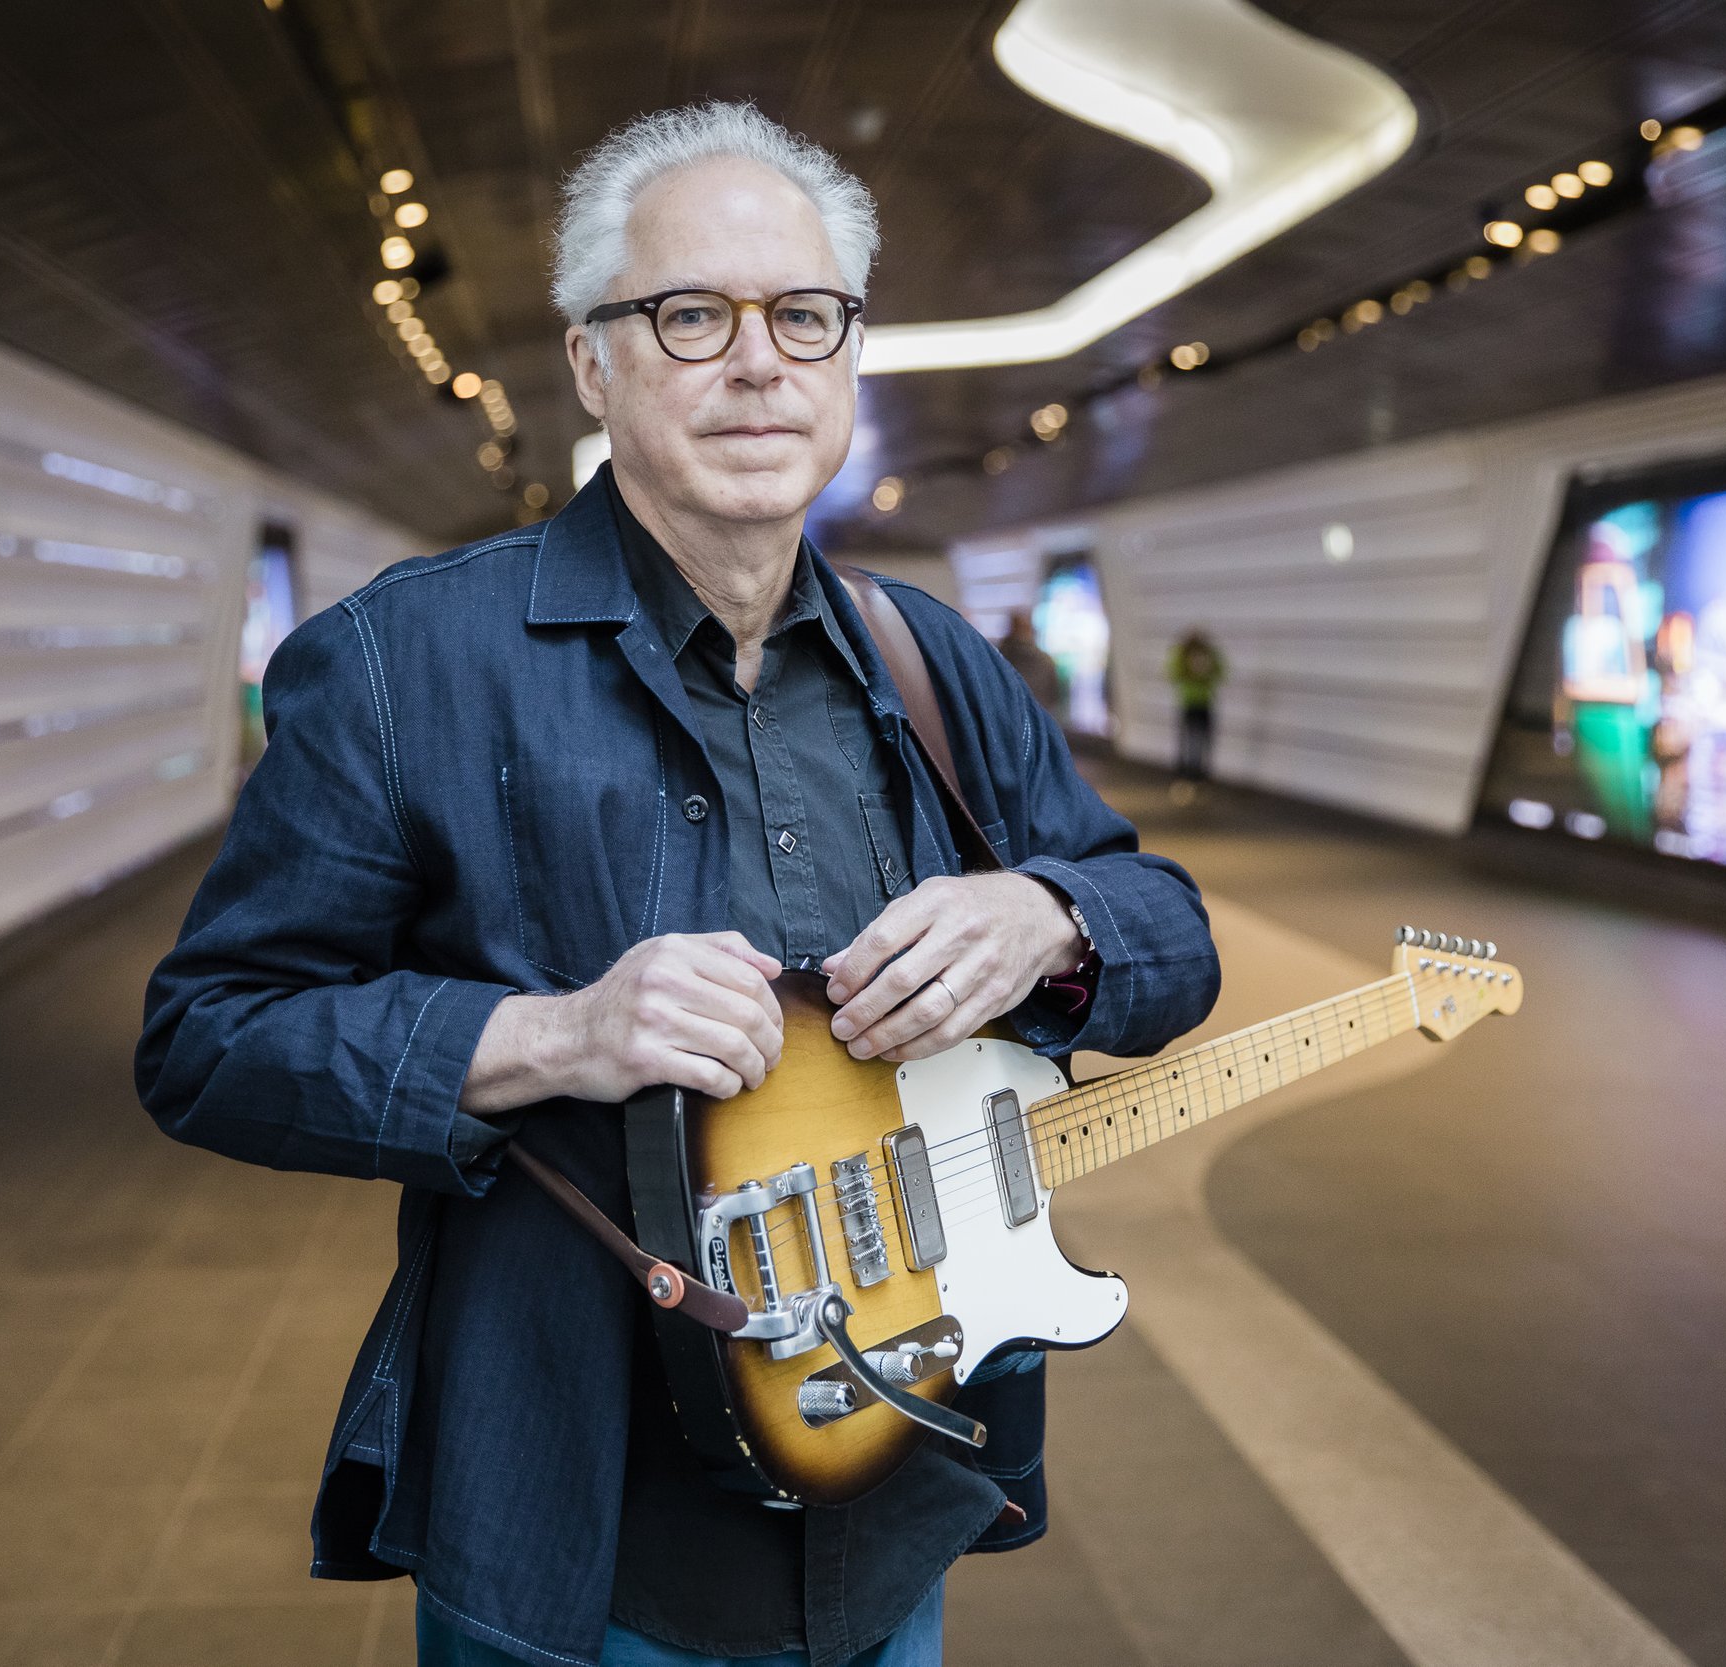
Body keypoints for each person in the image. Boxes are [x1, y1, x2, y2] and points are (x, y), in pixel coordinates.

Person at [136, 102, 1219, 1667]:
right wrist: (552, 1036)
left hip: (885, 1504)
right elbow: (210, 1036)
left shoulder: (931, 666)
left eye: (804, 315)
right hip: (576, 1540)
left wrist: (1051, 918)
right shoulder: (403, 661)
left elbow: (1170, 930)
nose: (758, 362)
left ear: (849, 356)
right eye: (693, 315)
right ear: (594, 361)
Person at [1166, 630, 1224, 788]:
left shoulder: (1208, 655)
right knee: (1190, 738)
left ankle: (1197, 771)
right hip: (1190, 702)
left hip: (1203, 702)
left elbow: (1221, 672)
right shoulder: (1183, 655)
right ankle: (1187, 771)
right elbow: (1172, 673)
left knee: (1200, 739)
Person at [998, 612, 1063, 717]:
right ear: (1031, 631)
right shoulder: (1046, 661)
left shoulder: (998, 658)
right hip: (1039, 721)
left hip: (1006, 721)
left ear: (1010, 629)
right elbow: (1054, 696)